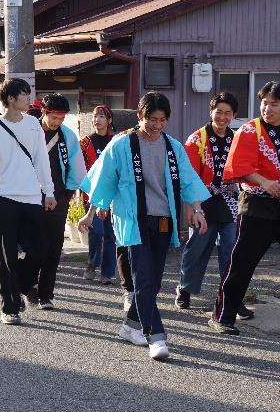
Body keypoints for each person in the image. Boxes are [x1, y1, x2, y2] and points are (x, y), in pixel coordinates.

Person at [79, 92, 210, 360]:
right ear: (140, 116)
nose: (157, 125)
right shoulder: (121, 144)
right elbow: (103, 180)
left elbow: (187, 181)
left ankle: (130, 326)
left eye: (162, 120)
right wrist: (91, 213)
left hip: (163, 220)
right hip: (132, 219)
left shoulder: (173, 147)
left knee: (154, 281)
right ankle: (156, 337)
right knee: (143, 279)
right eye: (152, 119)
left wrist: (197, 210)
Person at [208, 82, 280, 334]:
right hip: (256, 204)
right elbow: (236, 167)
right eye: (264, 103)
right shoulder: (249, 130)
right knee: (242, 263)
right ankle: (223, 315)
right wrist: (265, 182)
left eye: (274, 104)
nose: (267, 108)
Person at [0, 78, 56, 325]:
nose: (29, 98)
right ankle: (9, 307)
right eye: (24, 94)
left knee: (40, 251)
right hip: (4, 197)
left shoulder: (33, 125)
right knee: (8, 256)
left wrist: (48, 191)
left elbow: (43, 159)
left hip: (32, 197)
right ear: (10, 98)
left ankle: (18, 285)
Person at [176, 92, 253, 318]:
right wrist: (190, 206)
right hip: (203, 200)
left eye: (228, 113)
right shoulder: (196, 139)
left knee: (231, 250)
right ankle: (185, 289)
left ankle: (232, 299)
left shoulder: (238, 138)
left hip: (230, 200)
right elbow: (188, 175)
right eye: (218, 112)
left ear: (235, 115)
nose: (222, 117)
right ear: (211, 112)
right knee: (197, 248)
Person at [19, 93, 86, 310]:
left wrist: (67, 195)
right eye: (54, 118)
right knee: (35, 247)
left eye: (61, 119)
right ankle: (27, 284)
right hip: (30, 197)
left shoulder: (67, 136)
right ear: (44, 112)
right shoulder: (29, 131)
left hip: (58, 198)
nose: (57, 122)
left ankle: (46, 294)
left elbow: (76, 166)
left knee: (54, 248)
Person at [80, 104, 117, 284]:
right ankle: (92, 262)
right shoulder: (86, 142)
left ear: (109, 120)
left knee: (111, 235)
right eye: (95, 116)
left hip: (113, 196)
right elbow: (80, 168)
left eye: (102, 116)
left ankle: (107, 272)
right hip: (93, 196)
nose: (97, 120)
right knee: (97, 232)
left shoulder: (115, 141)